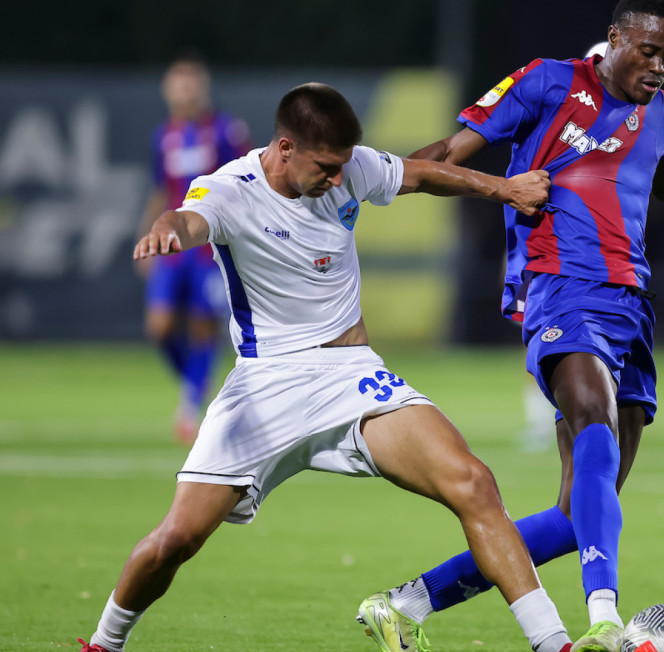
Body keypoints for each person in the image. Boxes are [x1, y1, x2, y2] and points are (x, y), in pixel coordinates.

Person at [362, 0, 664, 651]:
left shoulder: (660, 113)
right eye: (649, 51)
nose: (659, 66)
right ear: (615, 38)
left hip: (632, 307)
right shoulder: (548, 83)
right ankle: (604, 617)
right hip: (561, 289)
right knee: (594, 423)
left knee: (577, 515)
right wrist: (384, 177)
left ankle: (403, 603)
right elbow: (452, 147)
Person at [77, 83, 574, 652]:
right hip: (265, 388)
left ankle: (553, 643)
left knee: (474, 483)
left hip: (350, 377)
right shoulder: (230, 189)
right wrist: (169, 227)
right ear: (286, 148)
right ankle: (104, 643)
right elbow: (190, 218)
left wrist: (503, 188)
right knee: (178, 539)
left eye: (344, 166)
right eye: (326, 167)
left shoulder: (349, 167)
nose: (339, 179)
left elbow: (421, 175)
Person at [136, 55, 252, 445]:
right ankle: (194, 384)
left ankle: (190, 404)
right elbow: (161, 191)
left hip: (207, 246)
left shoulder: (225, 131)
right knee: (159, 327)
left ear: (203, 89)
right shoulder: (163, 136)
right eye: (178, 85)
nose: (184, 93)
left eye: (190, 85)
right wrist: (147, 234)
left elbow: (246, 182)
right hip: (173, 245)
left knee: (204, 326)